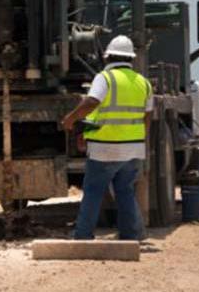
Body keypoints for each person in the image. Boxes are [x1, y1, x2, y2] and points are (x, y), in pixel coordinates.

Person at [61, 35, 153, 241]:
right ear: (131, 58)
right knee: (125, 191)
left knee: (94, 191)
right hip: (134, 150)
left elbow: (92, 102)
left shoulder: (105, 78)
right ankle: (132, 235)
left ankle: (83, 235)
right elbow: (147, 116)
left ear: (108, 57)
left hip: (105, 148)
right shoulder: (144, 83)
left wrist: (70, 118)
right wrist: (137, 141)